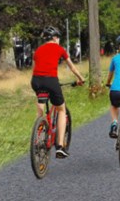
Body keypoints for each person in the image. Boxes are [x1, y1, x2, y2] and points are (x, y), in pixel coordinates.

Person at [31, 26, 85, 159]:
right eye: (58, 37)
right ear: (55, 38)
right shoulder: (59, 49)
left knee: (41, 104)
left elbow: (35, 68)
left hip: (36, 81)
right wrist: (81, 78)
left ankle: (39, 132)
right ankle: (60, 146)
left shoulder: (37, 50)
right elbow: (71, 66)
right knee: (61, 110)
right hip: (51, 81)